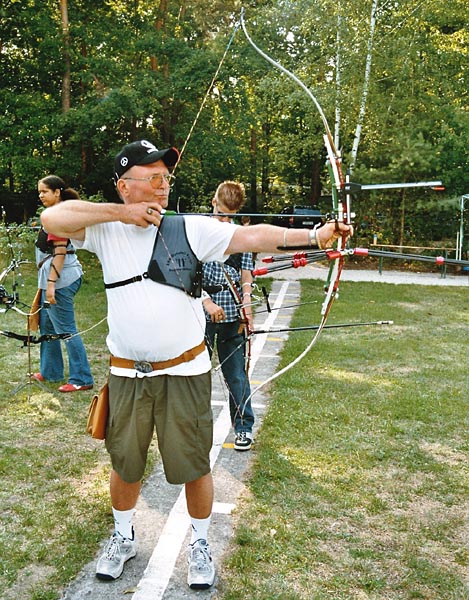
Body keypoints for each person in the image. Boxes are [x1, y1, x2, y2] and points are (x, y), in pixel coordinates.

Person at [40, 139, 352, 590]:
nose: (164, 186)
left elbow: (251, 236)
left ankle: (200, 543)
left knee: (193, 465)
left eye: (167, 178)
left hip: (184, 372)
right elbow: (52, 218)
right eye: (153, 178)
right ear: (124, 185)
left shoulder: (188, 227)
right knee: (125, 463)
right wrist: (121, 214)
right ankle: (123, 535)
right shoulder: (105, 227)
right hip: (128, 372)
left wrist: (313, 236)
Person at [202, 181, 255, 451]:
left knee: (235, 374)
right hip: (201, 313)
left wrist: (247, 303)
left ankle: (243, 428)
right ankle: (195, 430)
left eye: (230, 215)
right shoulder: (198, 230)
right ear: (213, 202)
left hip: (233, 312)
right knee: (196, 374)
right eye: (221, 213)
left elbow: (246, 273)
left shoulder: (240, 235)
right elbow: (185, 271)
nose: (225, 220)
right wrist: (206, 300)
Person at [33, 175, 94, 393]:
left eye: (45, 191)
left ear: (57, 192)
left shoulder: (60, 217)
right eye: (39, 192)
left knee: (66, 330)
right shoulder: (51, 215)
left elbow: (60, 253)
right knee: (47, 326)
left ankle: (82, 377)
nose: (41, 195)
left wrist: (50, 286)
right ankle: (51, 371)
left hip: (60, 280)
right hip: (52, 279)